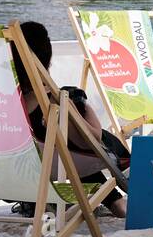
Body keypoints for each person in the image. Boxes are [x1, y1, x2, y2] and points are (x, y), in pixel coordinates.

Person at [10, 21, 129, 220]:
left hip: (16, 169)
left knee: (64, 153)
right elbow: (91, 140)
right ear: (46, 60)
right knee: (73, 152)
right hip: (65, 160)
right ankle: (116, 202)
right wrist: (81, 104)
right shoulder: (56, 102)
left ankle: (112, 201)